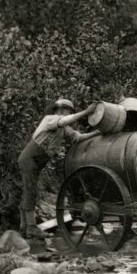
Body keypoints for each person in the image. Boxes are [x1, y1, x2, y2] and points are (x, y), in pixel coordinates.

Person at [18, 98, 99, 240]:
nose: (69, 114)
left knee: (29, 190)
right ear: (61, 110)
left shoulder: (64, 129)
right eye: (68, 111)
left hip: (36, 162)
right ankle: (31, 228)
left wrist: (98, 133)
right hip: (29, 158)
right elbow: (64, 121)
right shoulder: (50, 119)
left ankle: (24, 228)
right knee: (30, 191)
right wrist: (86, 112)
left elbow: (78, 137)